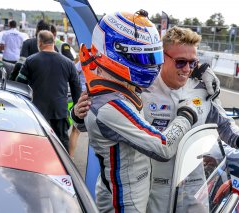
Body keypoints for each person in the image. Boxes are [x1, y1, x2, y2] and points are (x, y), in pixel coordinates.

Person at [71, 10, 198, 212]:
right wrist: (187, 115)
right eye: (140, 57)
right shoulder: (112, 103)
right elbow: (162, 147)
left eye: (151, 57)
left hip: (131, 193)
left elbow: (87, 124)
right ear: (117, 54)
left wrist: (77, 116)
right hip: (123, 203)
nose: (149, 64)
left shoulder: (117, 87)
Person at [141, 26, 239, 212]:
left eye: (193, 63)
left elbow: (225, 125)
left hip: (193, 184)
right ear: (162, 56)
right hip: (154, 187)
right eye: (180, 62)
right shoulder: (143, 89)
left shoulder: (203, 89)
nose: (187, 69)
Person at [16, 30, 81, 152]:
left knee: (36, 144)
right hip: (60, 111)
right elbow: (76, 88)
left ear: (39, 42)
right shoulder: (68, 63)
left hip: (37, 112)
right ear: (53, 42)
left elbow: (19, 85)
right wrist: (76, 111)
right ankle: (62, 169)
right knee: (61, 145)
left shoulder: (30, 60)